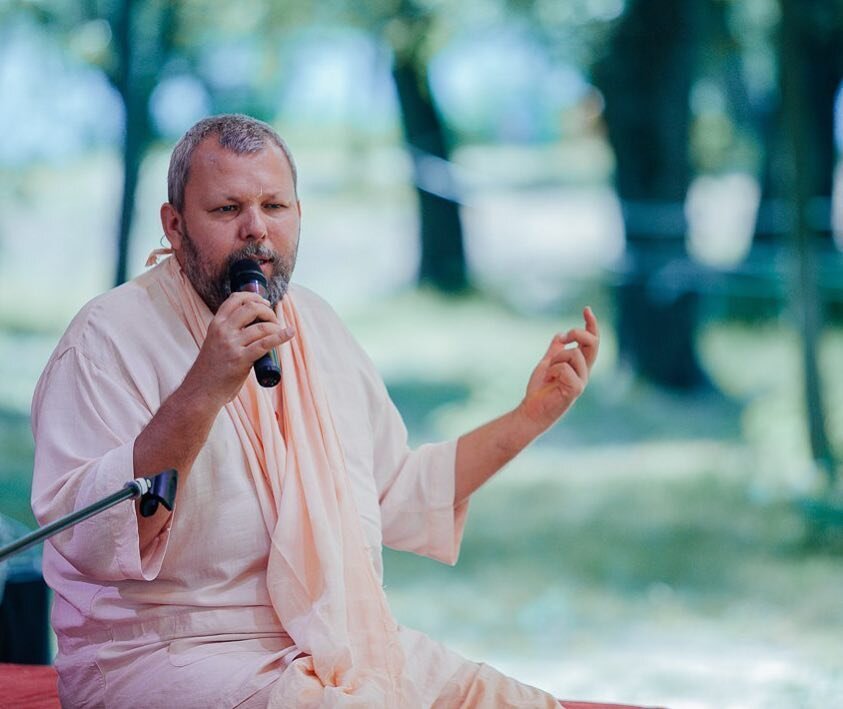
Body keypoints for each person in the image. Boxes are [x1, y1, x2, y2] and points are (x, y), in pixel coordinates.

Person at [30, 114, 637, 708]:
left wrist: (530, 416)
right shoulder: (107, 339)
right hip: (167, 655)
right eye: (227, 209)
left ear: (299, 213)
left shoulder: (317, 325)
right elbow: (91, 537)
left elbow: (400, 490)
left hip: (333, 643)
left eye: (274, 206)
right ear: (174, 223)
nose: (255, 231)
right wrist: (204, 388)